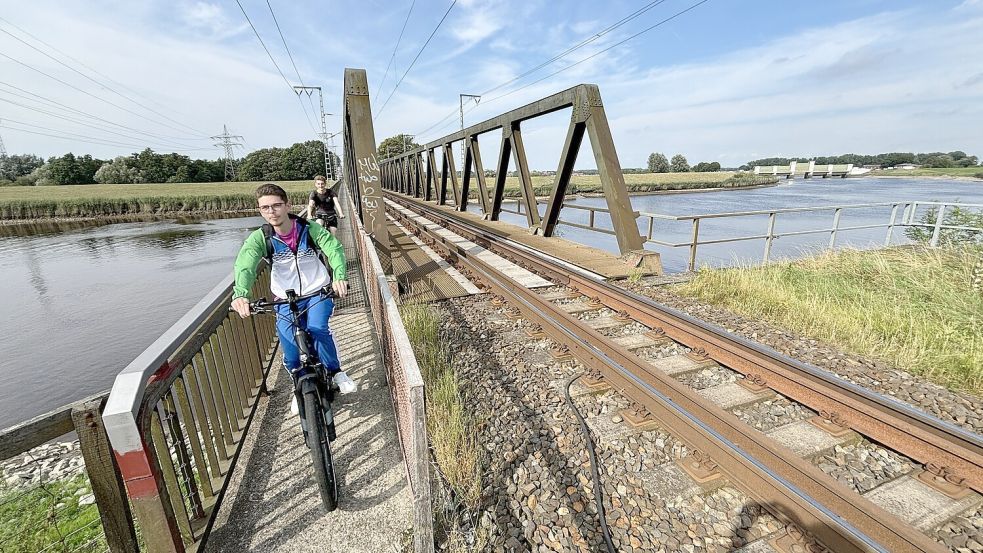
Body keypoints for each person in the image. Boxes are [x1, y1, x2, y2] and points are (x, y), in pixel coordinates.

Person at [231, 183, 355, 416]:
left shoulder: (309, 229)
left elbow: (334, 248)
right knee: (287, 341)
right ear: (260, 210)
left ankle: (336, 371)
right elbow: (245, 266)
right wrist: (241, 295)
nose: (272, 212)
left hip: (317, 292)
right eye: (265, 208)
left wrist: (339, 277)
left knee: (317, 327)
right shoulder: (261, 238)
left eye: (276, 205)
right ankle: (298, 383)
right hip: (284, 298)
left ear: (287, 205)